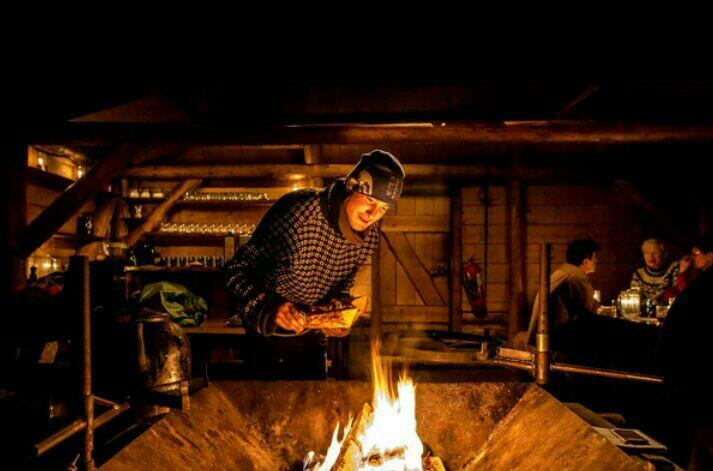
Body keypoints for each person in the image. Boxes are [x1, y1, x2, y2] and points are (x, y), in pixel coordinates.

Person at [224, 150, 404, 337]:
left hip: (311, 334)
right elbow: (236, 270)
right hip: (264, 334)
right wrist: (272, 307)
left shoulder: (369, 237)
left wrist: (337, 308)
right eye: (369, 200)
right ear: (351, 186)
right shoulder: (300, 214)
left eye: (383, 208)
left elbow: (342, 285)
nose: (372, 214)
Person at [657, 238, 713, 469]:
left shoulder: (700, 287)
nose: (695, 256)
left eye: (698, 252)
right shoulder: (697, 283)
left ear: (711, 255)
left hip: (694, 376)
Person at [526, 238, 600, 346]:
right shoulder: (577, 276)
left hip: (540, 338)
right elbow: (590, 312)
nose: (596, 261)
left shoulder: (563, 272)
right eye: (595, 258)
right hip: (552, 341)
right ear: (585, 261)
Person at [630, 238, 690, 304]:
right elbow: (635, 298)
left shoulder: (674, 268)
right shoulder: (639, 274)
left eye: (655, 253)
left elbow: (677, 292)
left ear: (663, 254)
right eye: (647, 253)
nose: (650, 257)